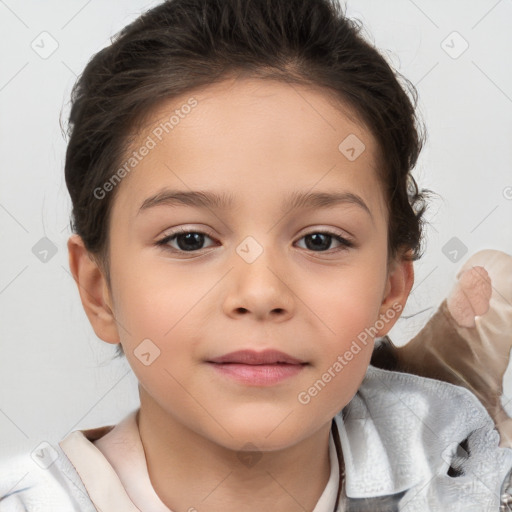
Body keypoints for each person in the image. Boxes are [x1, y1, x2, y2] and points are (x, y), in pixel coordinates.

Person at [1, 0, 511, 510]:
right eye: (189, 240)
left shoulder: (463, 478)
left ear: (391, 288)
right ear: (99, 290)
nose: (260, 293)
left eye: (320, 240)